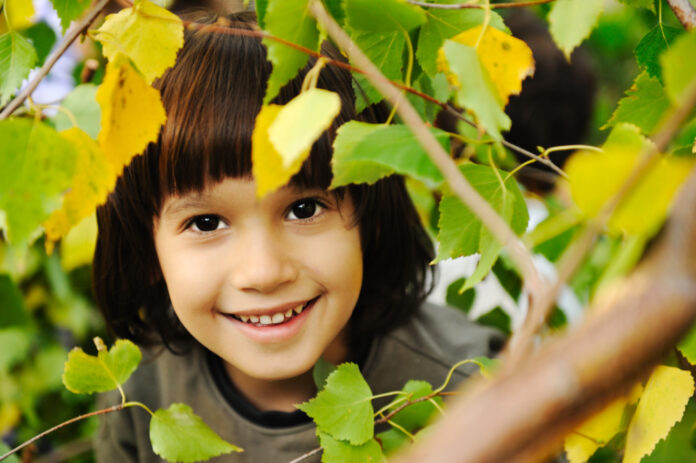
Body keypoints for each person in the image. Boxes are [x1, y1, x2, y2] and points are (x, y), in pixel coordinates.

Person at [92, 10, 502, 462]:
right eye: (206, 223)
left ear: (371, 215)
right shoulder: (138, 397)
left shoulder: (468, 390)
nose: (264, 272)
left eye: (303, 209)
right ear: (146, 248)